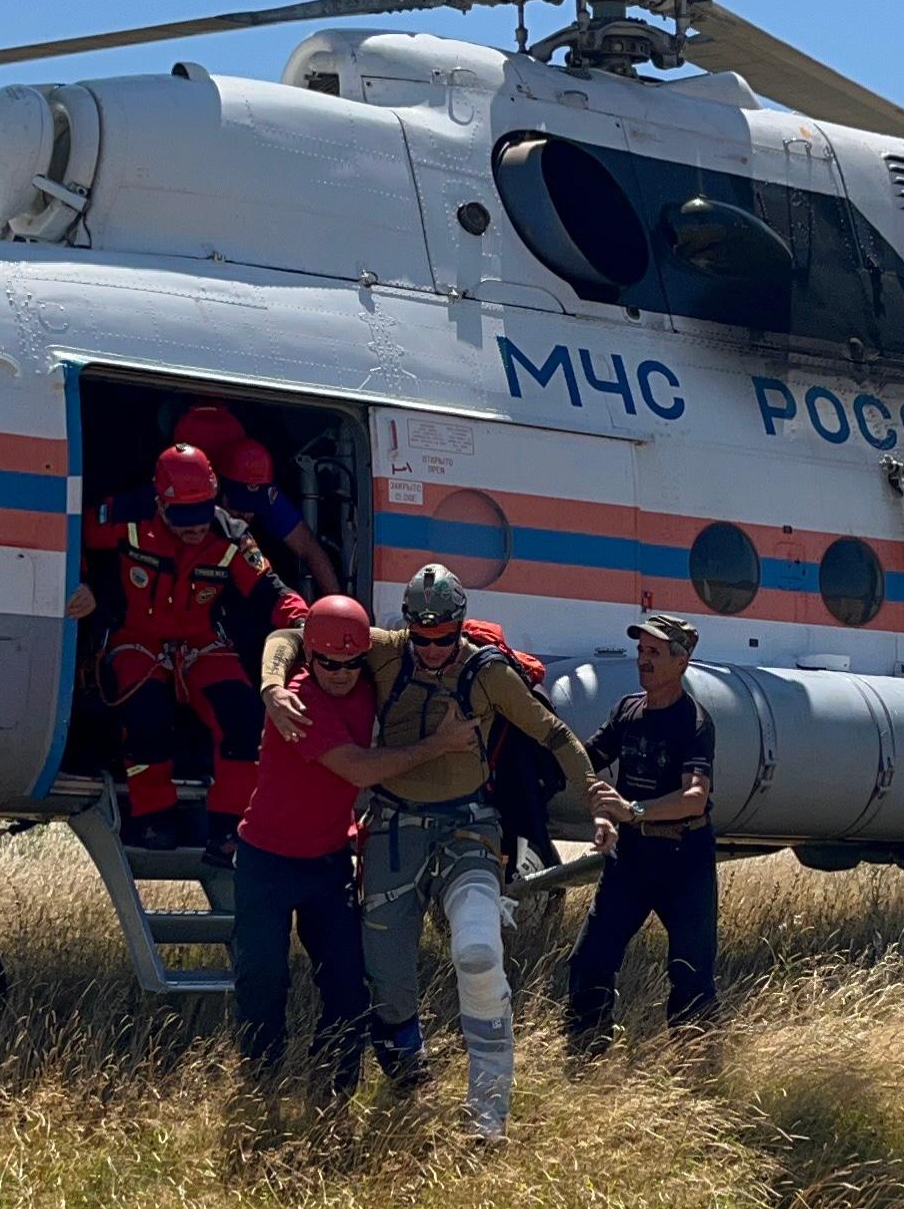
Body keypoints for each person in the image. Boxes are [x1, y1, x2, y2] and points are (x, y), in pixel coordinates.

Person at [262, 562, 607, 1141]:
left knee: (477, 951)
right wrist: (273, 687)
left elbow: (551, 732)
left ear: (460, 626)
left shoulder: (486, 672)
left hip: (467, 828)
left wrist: (594, 792)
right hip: (395, 829)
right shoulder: (385, 652)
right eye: (420, 637)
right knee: (388, 985)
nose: (429, 651)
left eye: (442, 638)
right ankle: (407, 1080)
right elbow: (290, 637)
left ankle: (488, 1113)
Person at [230, 594, 478, 1097]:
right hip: (267, 862)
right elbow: (360, 770)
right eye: (329, 663)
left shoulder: (368, 683)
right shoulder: (299, 699)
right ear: (310, 656)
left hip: (328, 864)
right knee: (262, 981)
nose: (342, 673)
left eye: (351, 663)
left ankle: (334, 1091)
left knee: (347, 986)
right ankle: (262, 1085)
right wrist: (439, 745)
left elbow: (427, 647)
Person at [68, 442, 307, 861]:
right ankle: (152, 818)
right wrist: (83, 584)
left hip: (200, 643)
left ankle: (229, 830)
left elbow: (270, 592)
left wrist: (307, 622)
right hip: (136, 638)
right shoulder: (125, 516)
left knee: (244, 716)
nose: (196, 527)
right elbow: (72, 537)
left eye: (202, 512)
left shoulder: (231, 535)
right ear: (160, 503)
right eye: (184, 516)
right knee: (146, 714)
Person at [563, 611, 723, 1059]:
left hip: (684, 860)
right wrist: (600, 812)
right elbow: (586, 761)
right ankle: (586, 1058)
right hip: (632, 859)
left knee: (691, 974)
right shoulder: (626, 711)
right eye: (640, 650)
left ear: (681, 661)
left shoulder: (695, 722)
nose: (643, 659)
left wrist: (632, 811)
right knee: (589, 960)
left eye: (654, 652)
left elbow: (694, 798)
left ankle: (696, 1071)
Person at [176, 401, 341, 595]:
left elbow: (309, 550)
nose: (245, 516)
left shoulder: (268, 496)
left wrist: (336, 602)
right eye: (239, 507)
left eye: (253, 507)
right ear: (218, 491)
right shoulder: (186, 501)